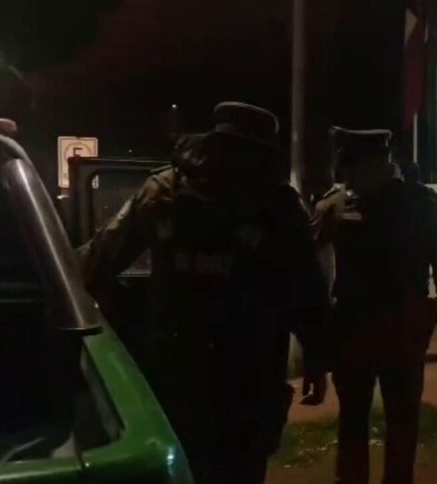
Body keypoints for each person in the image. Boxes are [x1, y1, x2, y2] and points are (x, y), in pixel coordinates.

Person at [78, 102, 329, 483]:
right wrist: (316, 360)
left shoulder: (163, 188)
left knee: (183, 469)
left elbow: (99, 260)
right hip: (251, 373)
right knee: (241, 470)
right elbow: (307, 294)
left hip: (176, 368)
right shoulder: (280, 206)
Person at [312, 127, 437, 484]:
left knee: (397, 421)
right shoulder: (338, 205)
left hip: (395, 331)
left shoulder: (419, 203)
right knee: (362, 421)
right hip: (361, 330)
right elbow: (309, 268)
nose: (348, 177)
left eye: (353, 168)